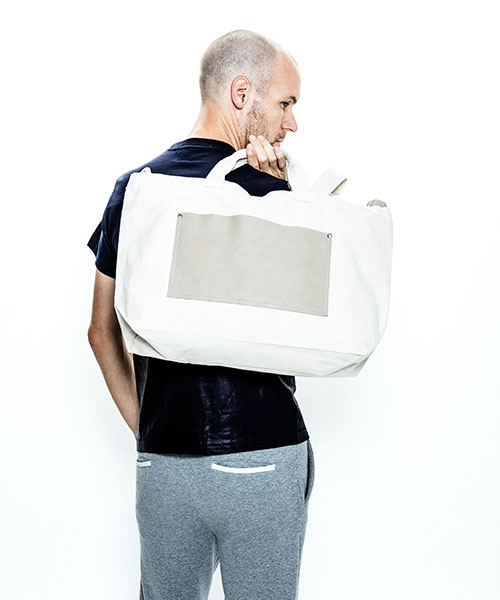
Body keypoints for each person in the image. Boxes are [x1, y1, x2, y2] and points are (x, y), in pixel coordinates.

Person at [87, 29, 316, 600]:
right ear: (242, 93)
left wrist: (148, 432)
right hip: (263, 454)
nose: (292, 123)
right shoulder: (265, 188)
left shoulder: (136, 189)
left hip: (163, 462)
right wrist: (281, 198)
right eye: (286, 103)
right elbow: (309, 313)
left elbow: (100, 331)